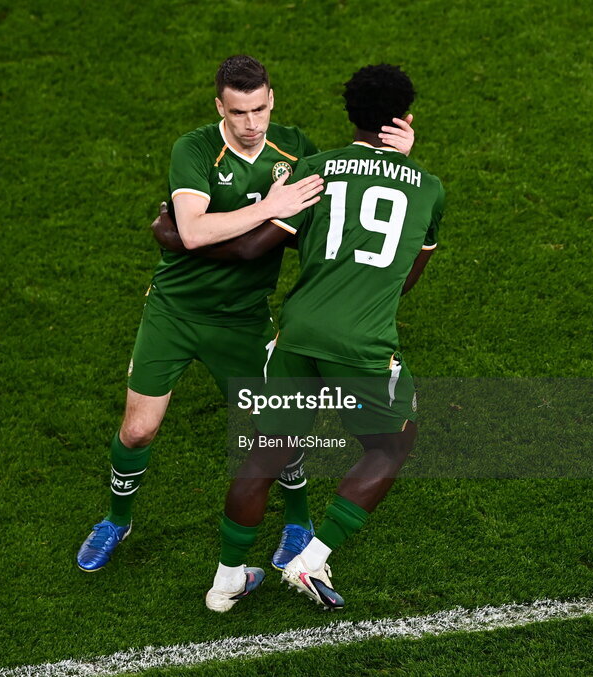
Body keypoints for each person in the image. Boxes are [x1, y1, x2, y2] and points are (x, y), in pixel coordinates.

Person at [77, 55, 416, 574]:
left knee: (277, 433)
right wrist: (269, 206)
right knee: (139, 429)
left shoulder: (295, 148)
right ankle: (116, 519)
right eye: (238, 112)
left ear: (271, 99)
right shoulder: (193, 150)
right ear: (220, 107)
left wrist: (402, 149)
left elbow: (357, 180)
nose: (251, 123)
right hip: (174, 311)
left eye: (259, 108)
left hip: (245, 320)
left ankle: (297, 522)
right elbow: (192, 230)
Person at [202, 63, 443, 612]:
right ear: (403, 120)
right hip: (363, 341)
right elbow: (407, 273)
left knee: (265, 454)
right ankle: (310, 560)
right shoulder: (428, 189)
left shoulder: (313, 168)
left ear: (348, 114)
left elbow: (269, 239)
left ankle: (225, 582)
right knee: (392, 443)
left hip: (298, 332)